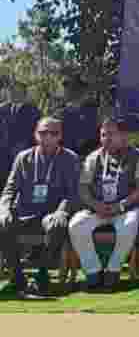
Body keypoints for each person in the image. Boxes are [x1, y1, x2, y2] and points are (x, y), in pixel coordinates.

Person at [0, 117, 80, 296]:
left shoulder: (70, 158)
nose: (48, 137)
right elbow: (9, 190)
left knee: (57, 224)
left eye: (54, 133)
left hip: (50, 214)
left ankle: (42, 276)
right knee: (2, 222)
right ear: (36, 135)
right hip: (25, 213)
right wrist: (4, 209)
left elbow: (72, 194)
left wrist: (61, 212)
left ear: (60, 136)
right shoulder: (23, 157)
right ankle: (17, 277)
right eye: (43, 133)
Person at [69, 117, 139, 292]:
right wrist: (95, 204)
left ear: (123, 136)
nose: (106, 138)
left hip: (125, 209)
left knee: (129, 224)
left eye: (111, 134)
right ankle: (93, 271)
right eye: (103, 135)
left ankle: (113, 270)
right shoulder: (94, 157)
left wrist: (120, 206)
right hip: (98, 208)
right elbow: (83, 188)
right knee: (76, 224)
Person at [1, 82, 42, 186]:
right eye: (11, 91)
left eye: (16, 91)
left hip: (22, 155)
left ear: (24, 94)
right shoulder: (2, 109)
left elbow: (37, 134)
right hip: (3, 156)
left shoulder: (33, 111)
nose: (13, 94)